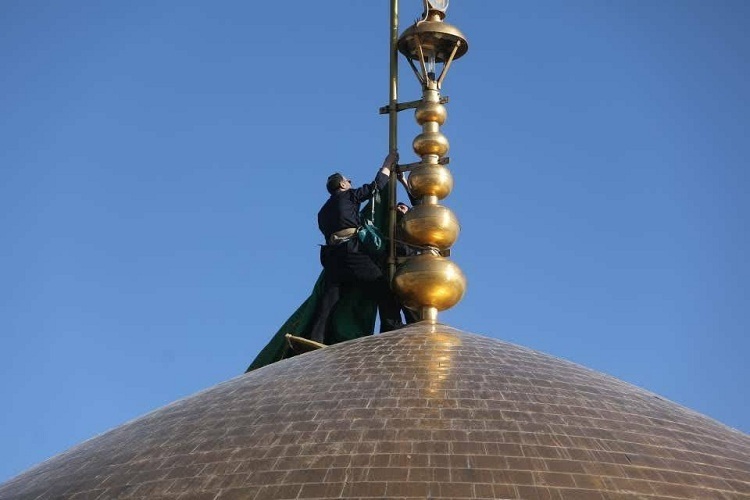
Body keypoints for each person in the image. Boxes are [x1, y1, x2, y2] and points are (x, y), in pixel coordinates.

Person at [308, 151, 404, 343]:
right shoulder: (349, 196)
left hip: (332, 257)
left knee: (330, 299)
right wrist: (387, 163)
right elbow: (376, 187)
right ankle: (393, 330)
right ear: (342, 185)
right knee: (382, 288)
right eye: (348, 181)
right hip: (352, 252)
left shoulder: (322, 212)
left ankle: (316, 337)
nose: (350, 182)